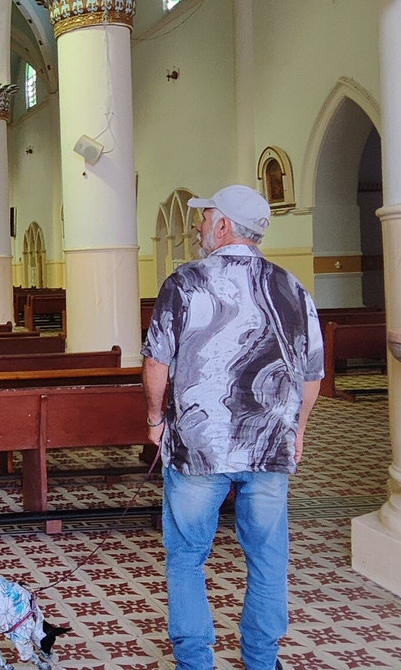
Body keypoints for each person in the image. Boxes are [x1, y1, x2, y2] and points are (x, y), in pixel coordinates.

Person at [142, 184, 323, 670]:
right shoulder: (293, 288)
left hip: (200, 450)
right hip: (269, 450)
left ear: (223, 226)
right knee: (267, 560)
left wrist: (155, 417)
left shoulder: (185, 282)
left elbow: (157, 362)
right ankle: (262, 661)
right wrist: (298, 430)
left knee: (187, 557)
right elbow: (311, 376)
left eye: (205, 217)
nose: (199, 224)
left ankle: (195, 662)